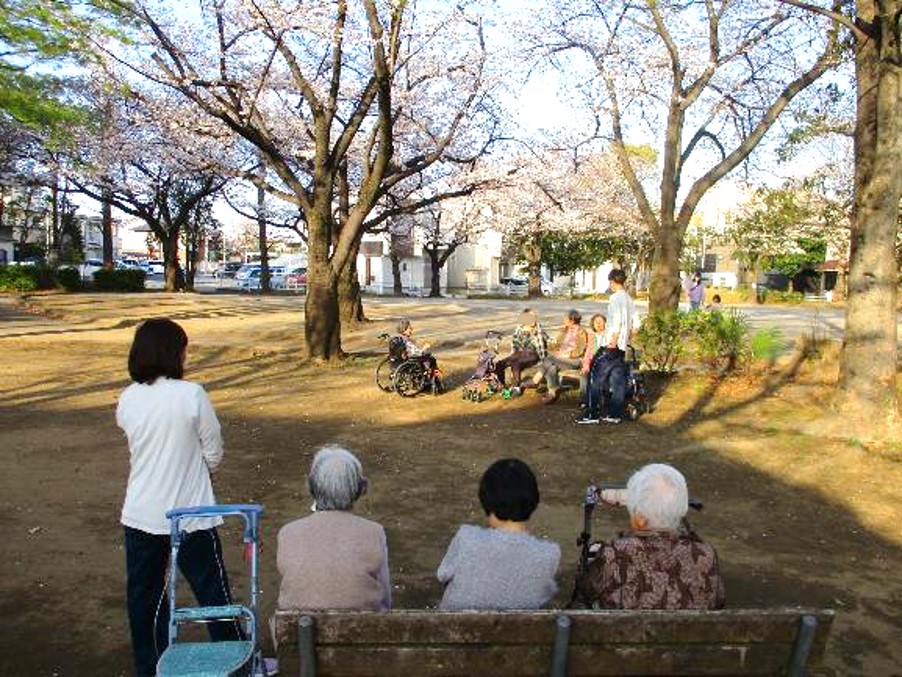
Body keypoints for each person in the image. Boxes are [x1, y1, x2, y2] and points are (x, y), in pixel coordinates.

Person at [116, 318, 242, 677]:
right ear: (174, 353)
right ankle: (234, 657)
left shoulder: (128, 398)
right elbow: (213, 450)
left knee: (145, 597)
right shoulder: (191, 395)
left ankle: (151, 666)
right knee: (212, 590)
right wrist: (198, 472)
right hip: (191, 515)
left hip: (140, 513)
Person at [576, 463, 725, 610]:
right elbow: (718, 601)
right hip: (694, 627)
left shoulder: (613, 553)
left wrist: (594, 557)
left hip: (625, 627)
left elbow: (585, 595)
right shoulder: (706, 554)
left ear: (639, 520)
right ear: (682, 509)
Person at [276, 445, 391, 612]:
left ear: (311, 487)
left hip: (297, 628)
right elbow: (385, 598)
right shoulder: (375, 532)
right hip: (364, 626)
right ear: (359, 489)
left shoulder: (288, 532)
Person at [437, 458, 560, 610]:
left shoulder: (466, 538)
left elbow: (442, 575)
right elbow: (543, 594)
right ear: (533, 500)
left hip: (454, 624)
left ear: (485, 499)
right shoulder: (549, 554)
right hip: (522, 626)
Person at [578, 269, 636, 424]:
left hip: (611, 345)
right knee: (617, 381)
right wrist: (626, 337)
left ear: (612, 282)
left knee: (594, 377)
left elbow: (616, 321)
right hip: (621, 348)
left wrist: (614, 339)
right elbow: (636, 324)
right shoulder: (629, 299)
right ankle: (614, 414)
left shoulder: (615, 298)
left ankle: (591, 415)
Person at [532, 309, 588, 404]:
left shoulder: (582, 332)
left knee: (549, 359)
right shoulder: (565, 330)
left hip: (575, 360)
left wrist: (567, 355)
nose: (563, 320)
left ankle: (536, 379)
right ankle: (552, 392)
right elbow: (557, 344)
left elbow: (580, 350)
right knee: (551, 367)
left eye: (565, 319)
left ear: (572, 320)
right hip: (560, 359)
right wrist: (554, 345)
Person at [495, 309, 548, 388]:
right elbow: (514, 345)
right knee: (499, 364)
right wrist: (512, 356)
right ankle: (502, 385)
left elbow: (542, 348)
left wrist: (543, 362)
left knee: (516, 363)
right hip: (519, 354)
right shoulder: (519, 329)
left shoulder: (538, 330)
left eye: (535, 317)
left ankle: (516, 386)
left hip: (532, 354)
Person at [579, 314, 607, 413]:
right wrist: (586, 366)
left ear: (605, 323)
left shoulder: (609, 336)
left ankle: (596, 402)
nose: (598, 324)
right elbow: (588, 354)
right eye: (596, 322)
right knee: (584, 374)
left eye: (601, 321)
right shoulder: (592, 337)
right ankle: (585, 401)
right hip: (593, 364)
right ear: (593, 324)